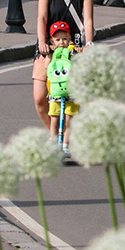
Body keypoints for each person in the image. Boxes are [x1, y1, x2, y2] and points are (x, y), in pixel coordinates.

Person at [34, 0, 94, 128]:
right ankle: (53, 134)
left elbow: (88, 20)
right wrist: (42, 42)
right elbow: (42, 18)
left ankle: (66, 136)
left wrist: (89, 43)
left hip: (73, 49)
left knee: (70, 103)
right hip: (49, 49)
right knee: (40, 99)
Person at [45, 20, 79, 160]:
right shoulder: (52, 54)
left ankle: (65, 145)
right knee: (54, 120)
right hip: (55, 93)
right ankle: (54, 144)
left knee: (69, 121)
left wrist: (78, 52)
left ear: (70, 39)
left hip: (71, 93)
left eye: (65, 39)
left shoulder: (72, 53)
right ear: (52, 41)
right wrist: (48, 53)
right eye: (57, 40)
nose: (61, 43)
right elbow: (47, 69)